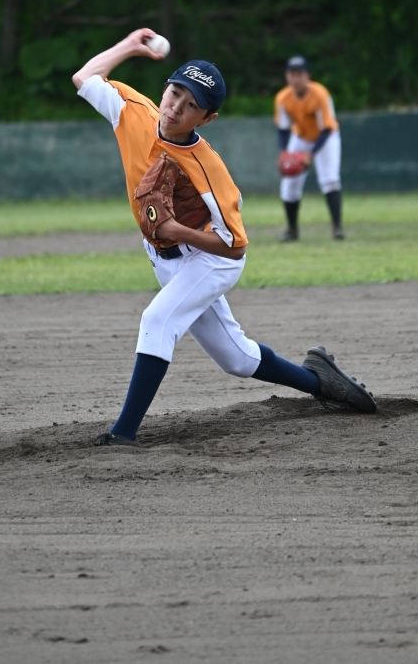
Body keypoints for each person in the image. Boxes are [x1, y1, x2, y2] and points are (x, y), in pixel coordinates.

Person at [71, 28, 375, 447]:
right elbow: (85, 77)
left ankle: (123, 434)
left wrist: (176, 230)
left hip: (211, 260)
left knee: (157, 320)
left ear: (207, 118)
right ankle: (322, 381)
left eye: (191, 105)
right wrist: (129, 46)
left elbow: (235, 245)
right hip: (164, 255)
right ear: (165, 88)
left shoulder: (208, 169)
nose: (176, 107)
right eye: (175, 93)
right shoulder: (133, 111)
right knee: (237, 358)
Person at [275, 55, 344, 242]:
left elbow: (326, 128)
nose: (296, 78)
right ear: (287, 76)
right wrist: (283, 152)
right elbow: (283, 129)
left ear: (308, 76)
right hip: (300, 137)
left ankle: (337, 227)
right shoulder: (283, 98)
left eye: (299, 73)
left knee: (330, 179)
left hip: (326, 137)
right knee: (289, 184)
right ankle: (292, 230)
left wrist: (311, 155)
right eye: (292, 74)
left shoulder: (320, 94)